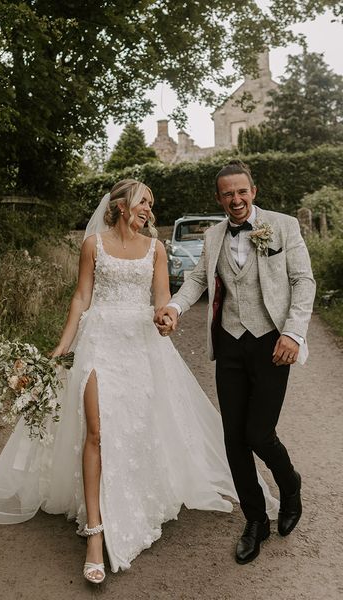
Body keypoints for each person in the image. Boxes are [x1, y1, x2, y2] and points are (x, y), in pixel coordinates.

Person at [0, 178, 278, 583]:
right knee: (96, 431)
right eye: (143, 201)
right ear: (120, 205)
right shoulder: (92, 245)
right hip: (99, 342)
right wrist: (62, 347)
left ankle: (134, 501)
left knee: (137, 428)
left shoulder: (156, 248)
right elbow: (81, 297)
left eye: (152, 204)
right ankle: (96, 535)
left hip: (140, 346)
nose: (149, 209)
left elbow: (160, 297)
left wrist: (165, 318)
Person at [155, 160, 316, 565]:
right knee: (233, 439)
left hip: (272, 343)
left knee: (260, 433)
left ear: (253, 191)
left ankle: (289, 484)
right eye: (227, 193)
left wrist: (293, 333)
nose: (236, 199)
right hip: (228, 344)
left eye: (241, 191)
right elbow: (196, 280)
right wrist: (174, 307)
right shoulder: (212, 236)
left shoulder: (282, 226)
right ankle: (256, 521)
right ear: (219, 198)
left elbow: (303, 281)